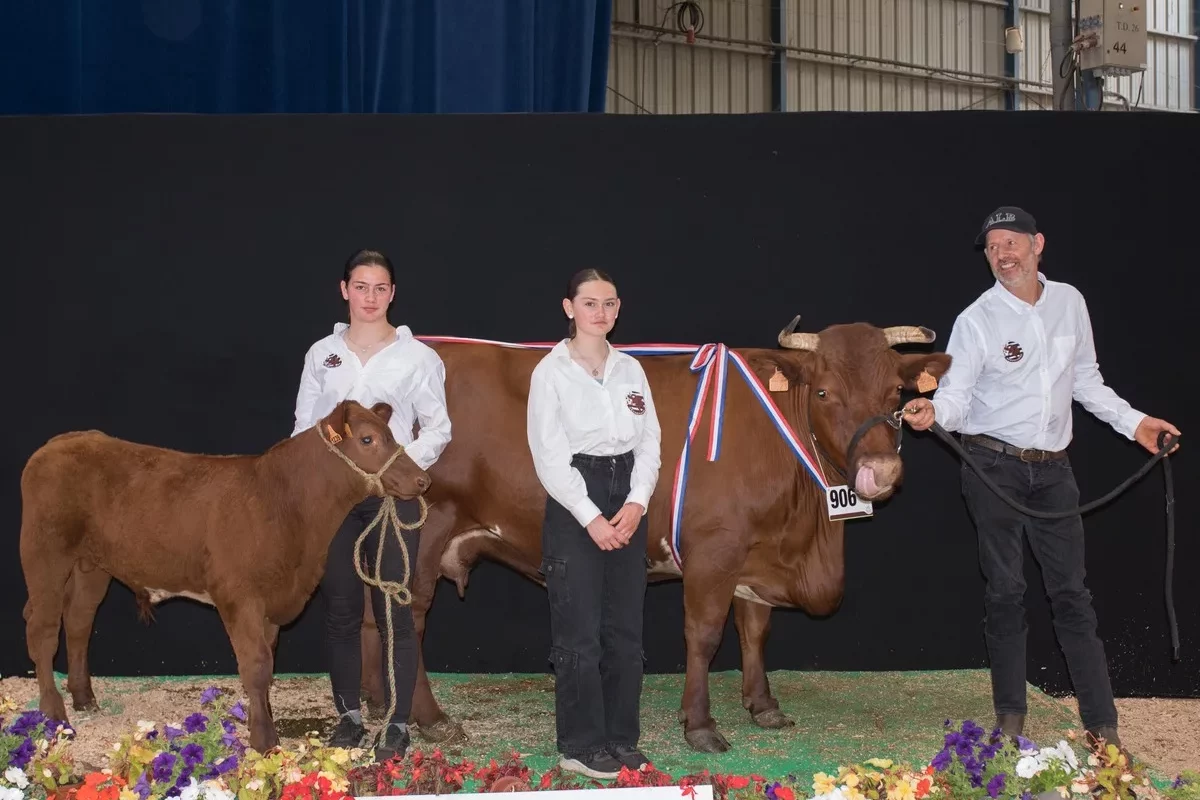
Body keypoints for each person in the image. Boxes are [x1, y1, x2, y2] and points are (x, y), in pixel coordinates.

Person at [902, 207, 1180, 749]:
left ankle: (1103, 728)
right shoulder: (977, 318)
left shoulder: (1070, 303)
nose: (1003, 254)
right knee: (1005, 593)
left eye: (1012, 243)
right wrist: (934, 413)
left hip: (1055, 471)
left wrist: (1137, 423)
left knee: (1073, 595)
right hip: (993, 467)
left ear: (1038, 245)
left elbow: (1086, 380)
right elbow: (957, 395)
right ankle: (1010, 719)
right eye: (992, 247)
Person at [292, 248, 452, 760]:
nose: (370, 296)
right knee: (340, 609)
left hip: (388, 500)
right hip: (334, 503)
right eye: (360, 286)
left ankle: (398, 723)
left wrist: (394, 470)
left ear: (392, 294)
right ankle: (348, 717)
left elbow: (439, 428)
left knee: (393, 609)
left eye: (380, 288)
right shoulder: (322, 354)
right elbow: (302, 429)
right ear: (345, 290)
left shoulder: (418, 357)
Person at [526, 268, 663, 779]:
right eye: (589, 303)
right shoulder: (551, 372)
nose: (599, 313)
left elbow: (650, 439)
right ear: (569, 308)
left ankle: (622, 739)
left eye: (608, 304)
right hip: (573, 497)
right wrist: (591, 517)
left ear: (618, 308)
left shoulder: (631, 369)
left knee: (625, 632)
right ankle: (581, 745)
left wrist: (637, 502)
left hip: (626, 490)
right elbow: (548, 455)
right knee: (579, 633)